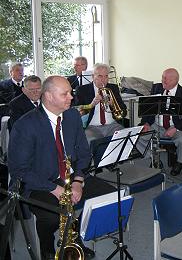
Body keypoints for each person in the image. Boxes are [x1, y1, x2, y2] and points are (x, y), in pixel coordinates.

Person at [8, 76, 116, 260]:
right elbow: (19, 169)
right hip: (40, 182)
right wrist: (54, 188)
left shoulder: (72, 115)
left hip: (71, 176)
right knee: (50, 216)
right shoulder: (25, 125)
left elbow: (83, 153)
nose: (71, 97)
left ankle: (75, 238)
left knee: (111, 196)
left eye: (70, 92)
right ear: (49, 96)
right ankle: (47, 250)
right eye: (65, 94)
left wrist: (78, 181)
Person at [141, 68, 182, 176]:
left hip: (176, 127)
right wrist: (146, 123)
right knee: (138, 136)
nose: (163, 81)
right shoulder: (156, 88)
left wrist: (175, 127)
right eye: (163, 77)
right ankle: (154, 159)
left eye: (167, 79)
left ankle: (180, 162)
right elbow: (148, 110)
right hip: (156, 125)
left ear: (176, 80)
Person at [76, 63, 127, 143]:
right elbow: (77, 113)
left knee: (124, 138)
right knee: (92, 141)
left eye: (106, 76)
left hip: (112, 125)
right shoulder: (82, 90)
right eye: (100, 76)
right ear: (93, 77)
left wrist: (113, 105)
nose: (104, 80)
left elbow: (123, 112)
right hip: (91, 127)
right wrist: (92, 104)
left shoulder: (113, 88)